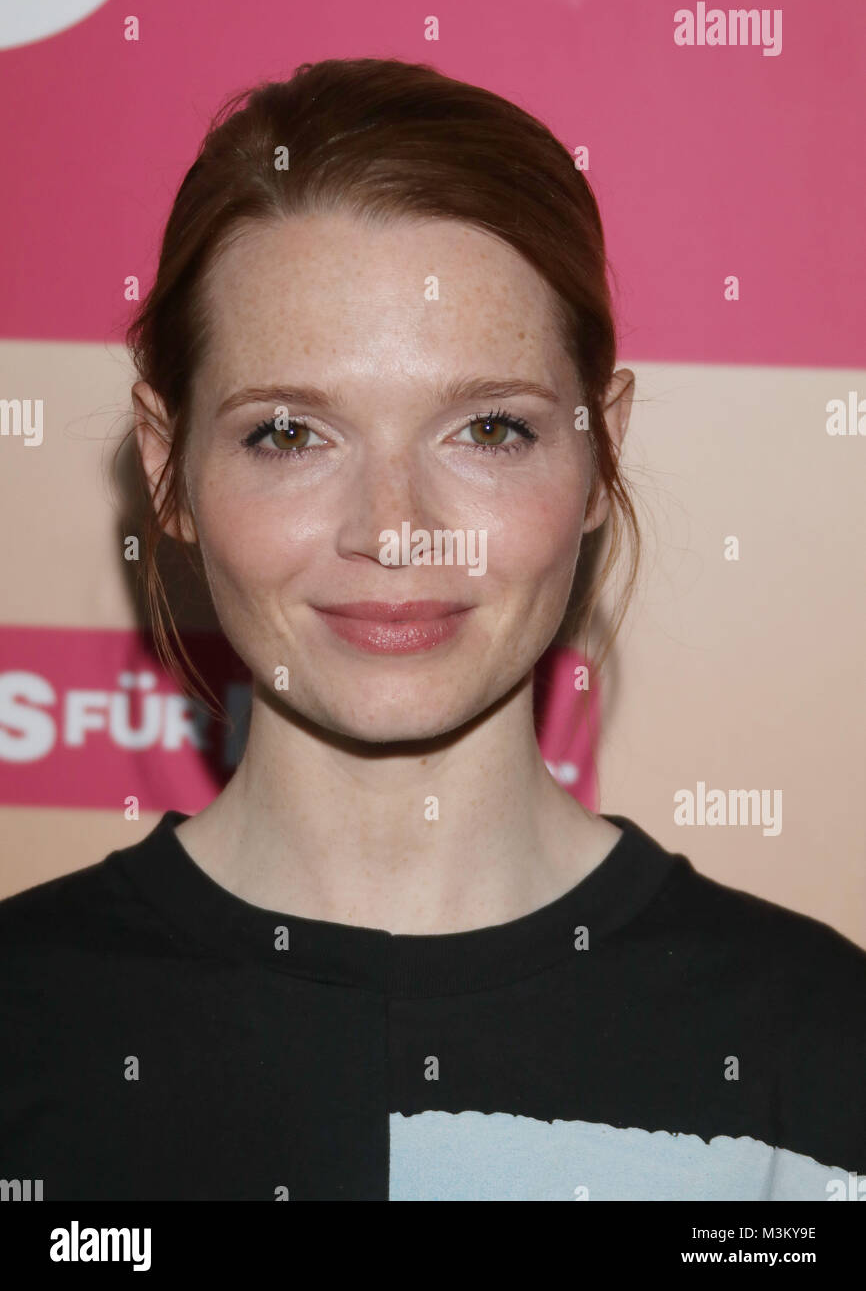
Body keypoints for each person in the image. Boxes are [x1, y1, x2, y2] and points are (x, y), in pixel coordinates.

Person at [1, 58, 864, 1202]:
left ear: (599, 451)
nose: (396, 531)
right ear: (167, 467)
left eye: (490, 428)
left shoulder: (815, 1052)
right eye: (290, 433)